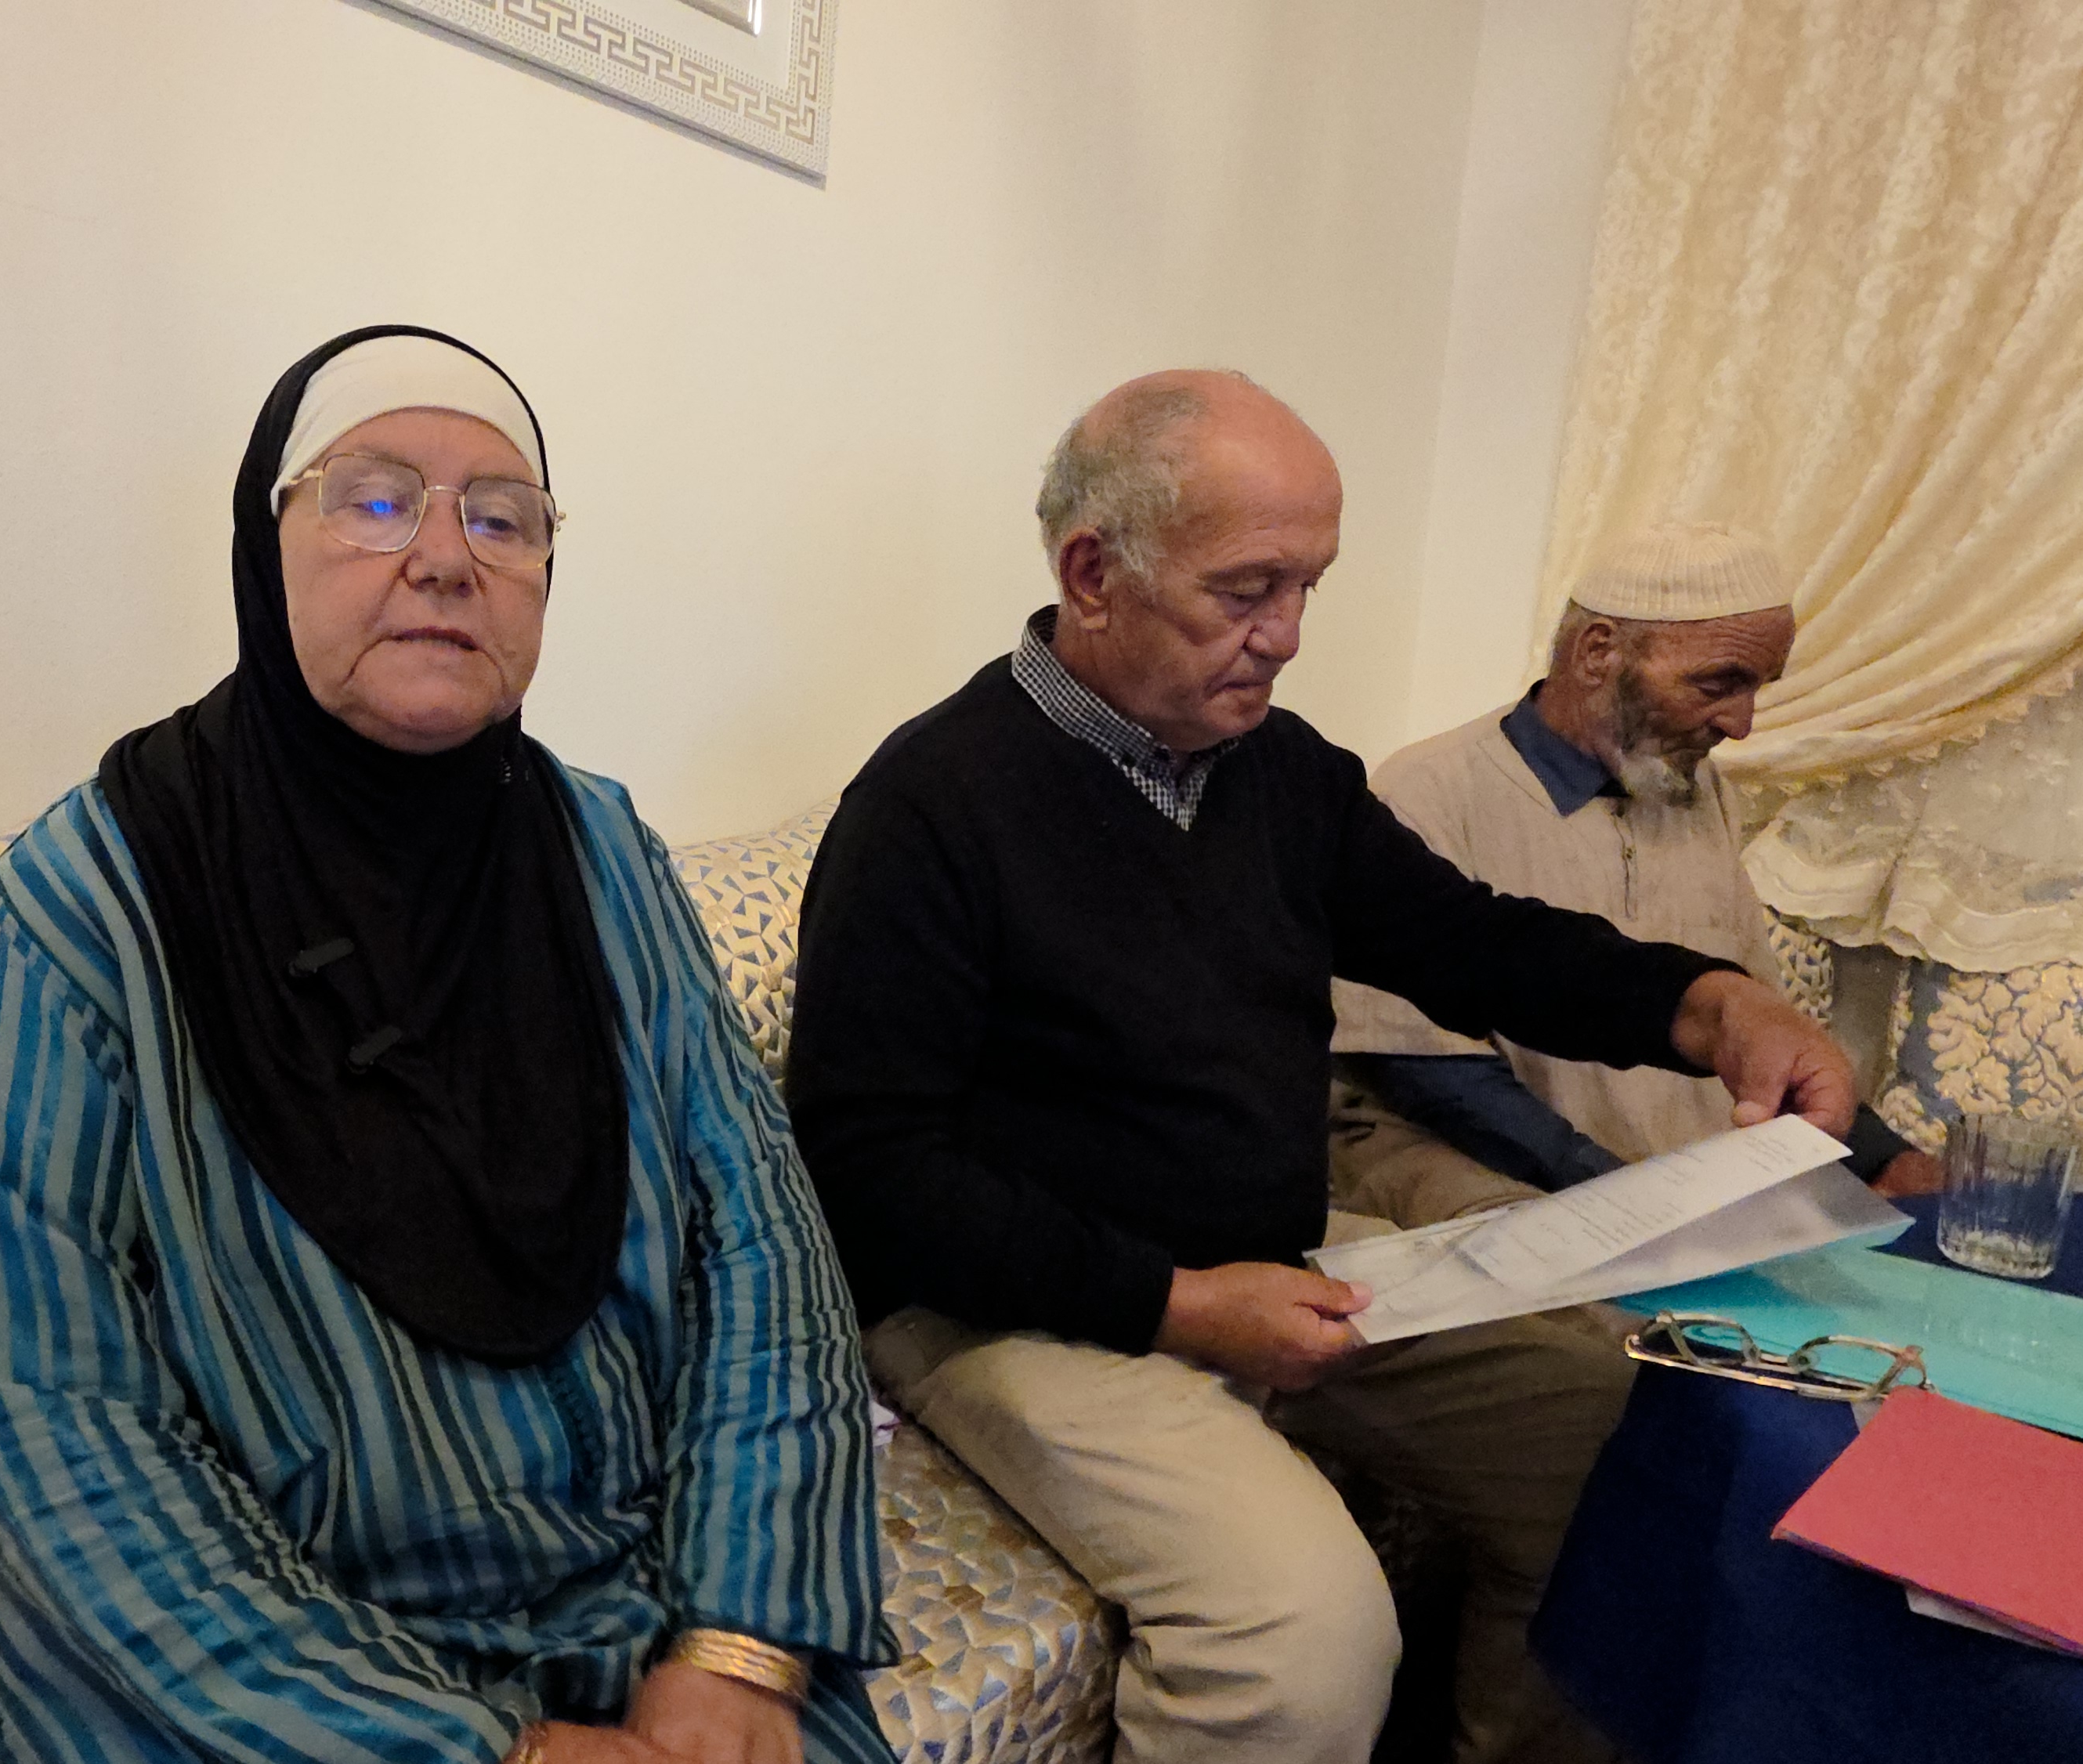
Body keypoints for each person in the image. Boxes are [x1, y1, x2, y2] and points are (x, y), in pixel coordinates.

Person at [783, 370, 1861, 1764]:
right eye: (1247, 590)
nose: (1287, 635)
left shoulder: (1279, 772)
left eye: (1309, 587)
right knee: (1302, 1638)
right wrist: (1179, 1304)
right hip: (1014, 1305)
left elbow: (1471, 942)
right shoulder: (929, 807)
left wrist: (1709, 1008)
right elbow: (868, 1172)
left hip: (1269, 1261)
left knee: (1626, 1446)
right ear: (1093, 574)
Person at [0, 326, 894, 1764]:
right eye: (373, 498)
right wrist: (473, 1751)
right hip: (283, 1675)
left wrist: (742, 1639)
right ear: (267, 543)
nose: (445, 558)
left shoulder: (602, 854)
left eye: (504, 519)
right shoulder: (84, 913)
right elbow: (30, 1424)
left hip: (652, 1604)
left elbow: (761, 1236)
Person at [1330, 521, 1941, 1229]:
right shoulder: (1429, 791)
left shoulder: (1698, 790)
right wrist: (1634, 1205)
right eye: (1718, 683)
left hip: (1692, 1200)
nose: (1741, 724)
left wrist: (1880, 1156)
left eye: (1756, 688)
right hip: (1528, 1196)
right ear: (1598, 652)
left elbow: (1752, 1025)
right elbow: (1421, 1069)